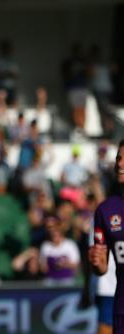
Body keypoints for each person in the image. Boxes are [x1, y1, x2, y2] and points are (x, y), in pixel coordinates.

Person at [89, 139, 124, 334]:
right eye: (118, 158)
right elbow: (102, 268)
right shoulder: (106, 210)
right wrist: (96, 261)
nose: (120, 164)